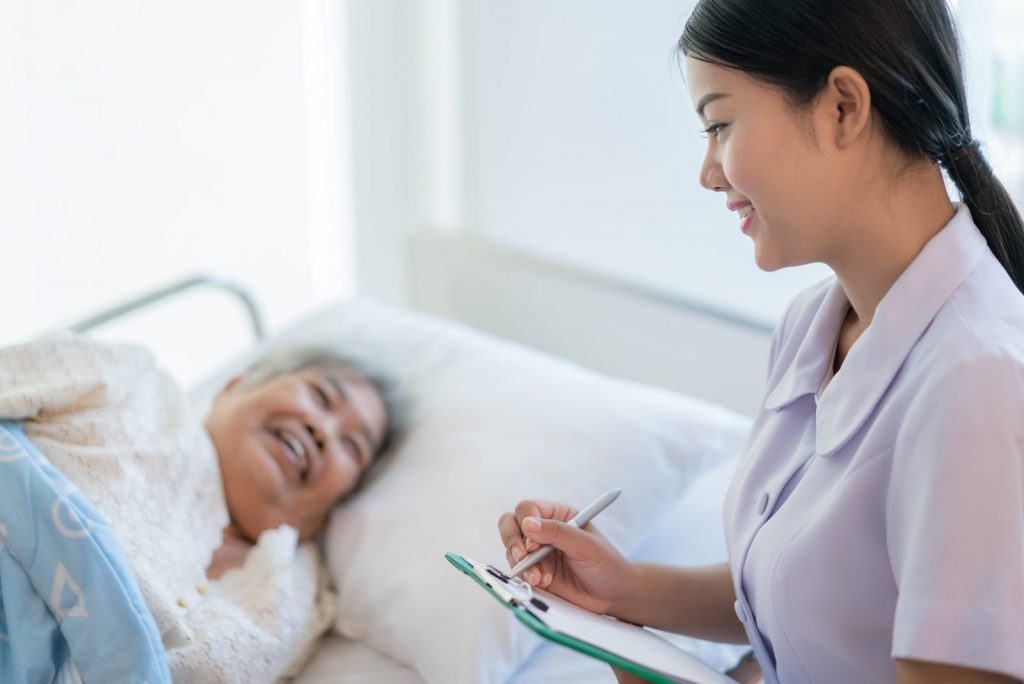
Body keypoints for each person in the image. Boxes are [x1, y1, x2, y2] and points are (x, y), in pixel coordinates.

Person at [498, 1, 1024, 683]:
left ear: (841, 107)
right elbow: (805, 593)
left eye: (719, 124)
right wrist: (624, 589)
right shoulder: (813, 324)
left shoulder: (975, 385)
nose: (708, 172)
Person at [0, 337, 393, 681]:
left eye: (352, 446)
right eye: (320, 395)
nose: (322, 431)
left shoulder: (297, 597)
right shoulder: (132, 383)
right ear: (234, 386)